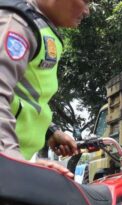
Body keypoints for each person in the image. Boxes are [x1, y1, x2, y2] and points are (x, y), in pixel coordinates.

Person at [0, 0, 87, 176]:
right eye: (86, 1)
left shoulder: (38, 27)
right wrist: (12, 162)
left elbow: (25, 96)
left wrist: (50, 131)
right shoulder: (17, 24)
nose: (87, 11)